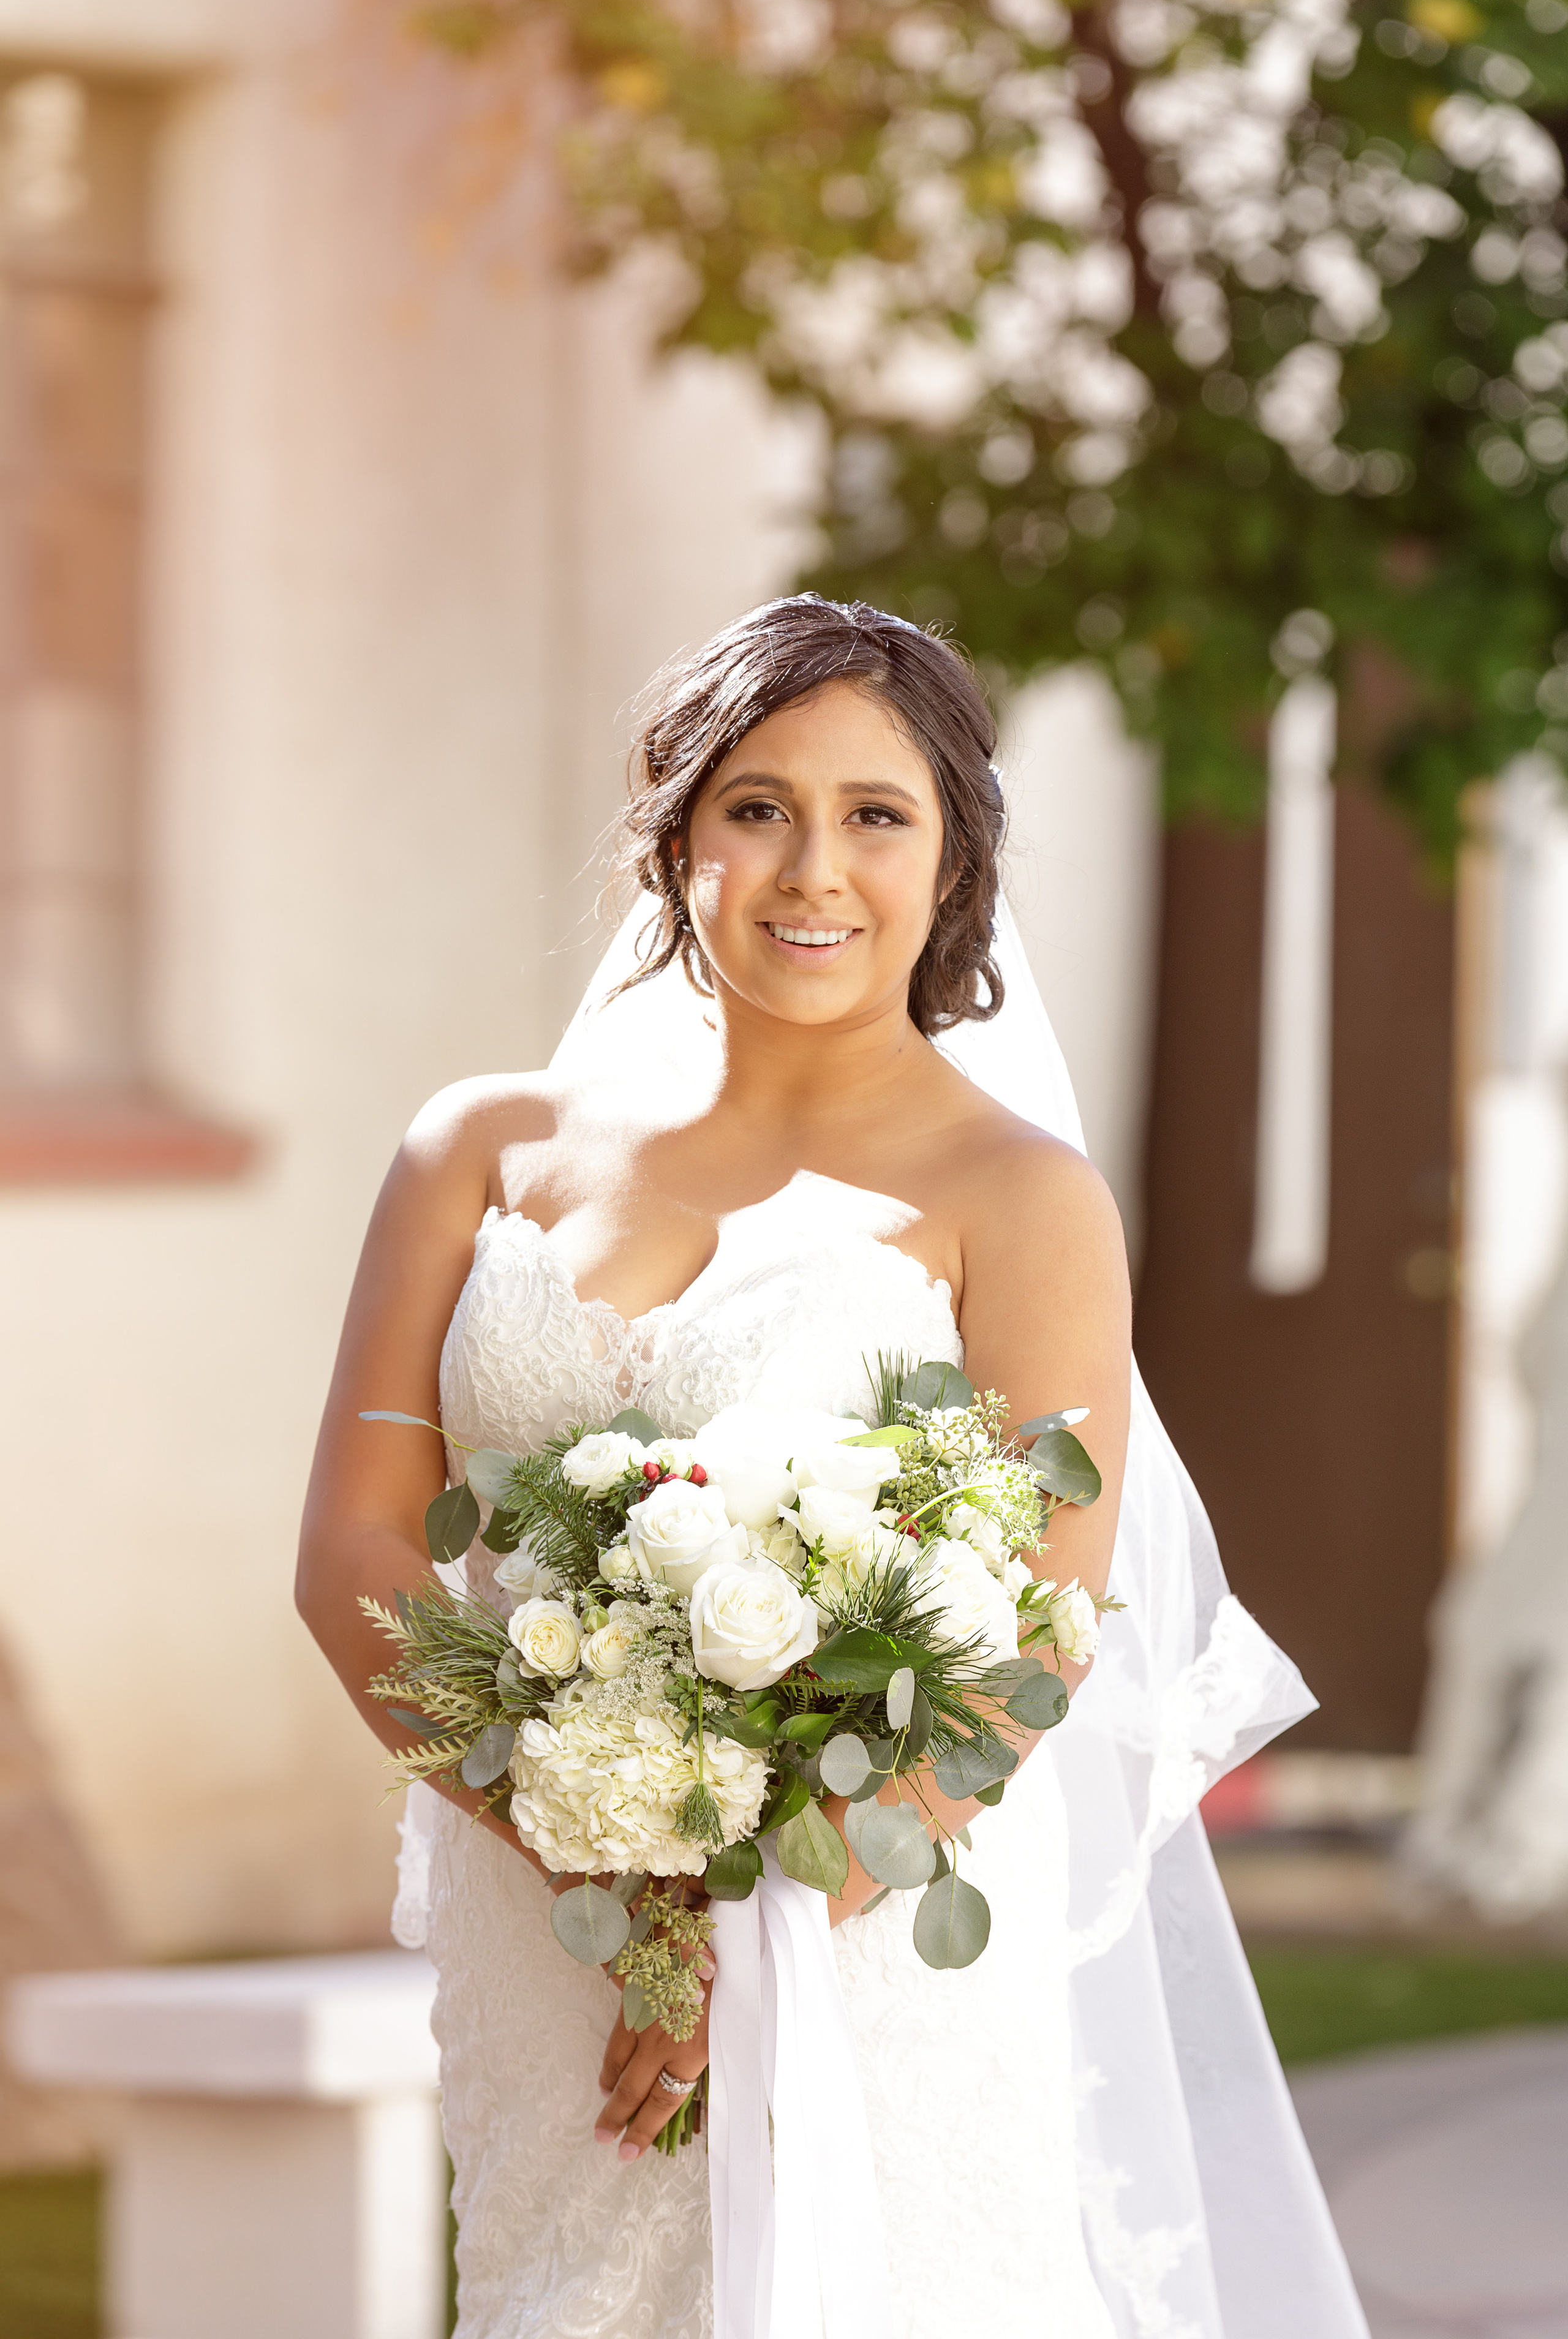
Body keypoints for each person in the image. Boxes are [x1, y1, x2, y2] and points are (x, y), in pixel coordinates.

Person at [297, 595, 1368, 2339]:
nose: (814, 869)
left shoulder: (1021, 1197)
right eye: (758, 806)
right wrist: (615, 1887)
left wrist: (756, 1942)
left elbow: (1040, 1630)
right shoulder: (477, 1153)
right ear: (676, 837)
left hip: (868, 1924)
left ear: (953, 863)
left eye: (877, 814)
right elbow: (351, 1549)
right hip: (548, 1915)